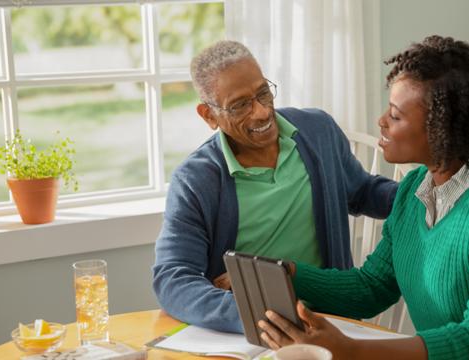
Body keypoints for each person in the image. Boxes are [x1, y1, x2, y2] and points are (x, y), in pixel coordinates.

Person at [258, 35, 469, 359]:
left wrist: (354, 352)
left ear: (443, 129)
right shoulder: (415, 188)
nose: (381, 122)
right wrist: (287, 274)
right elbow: (373, 286)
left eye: (395, 115)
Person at [152, 40, 398, 333]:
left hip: (331, 318)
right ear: (209, 115)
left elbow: (363, 192)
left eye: (263, 93)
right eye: (241, 105)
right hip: (254, 328)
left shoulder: (318, 130)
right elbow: (174, 278)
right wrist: (254, 311)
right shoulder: (195, 180)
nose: (261, 112)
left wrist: (424, 189)